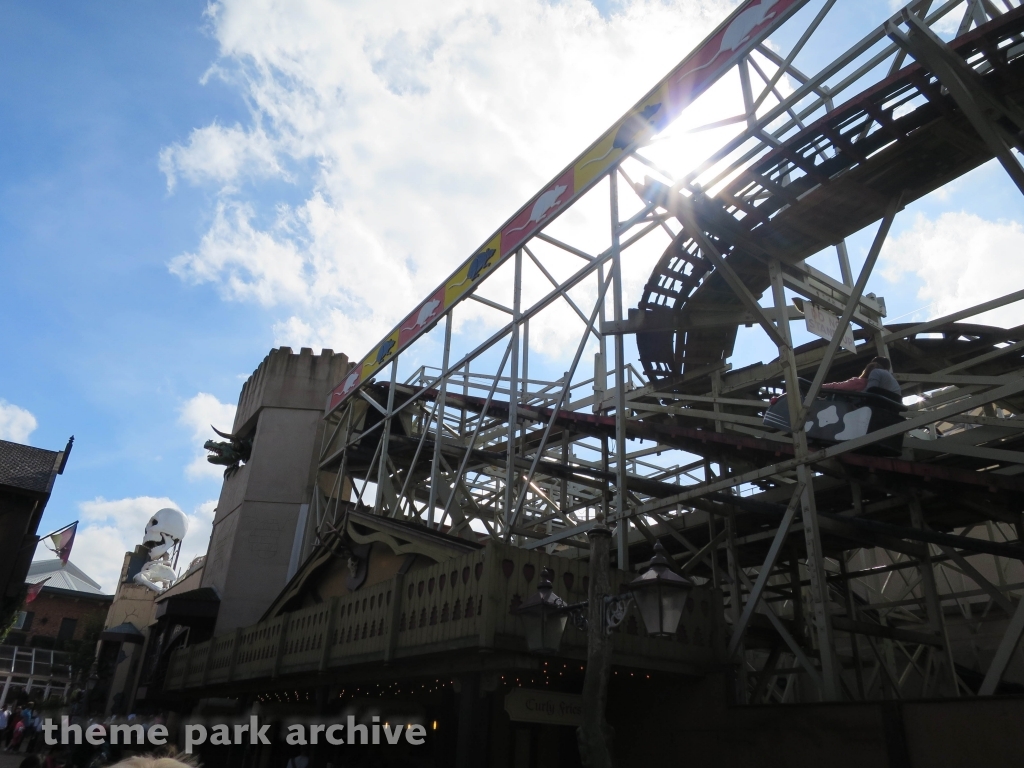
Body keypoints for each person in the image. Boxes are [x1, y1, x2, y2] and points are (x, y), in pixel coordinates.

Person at [822, 356, 901, 397]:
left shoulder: (874, 373)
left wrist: (819, 387)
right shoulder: (890, 379)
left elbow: (870, 390)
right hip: (893, 404)